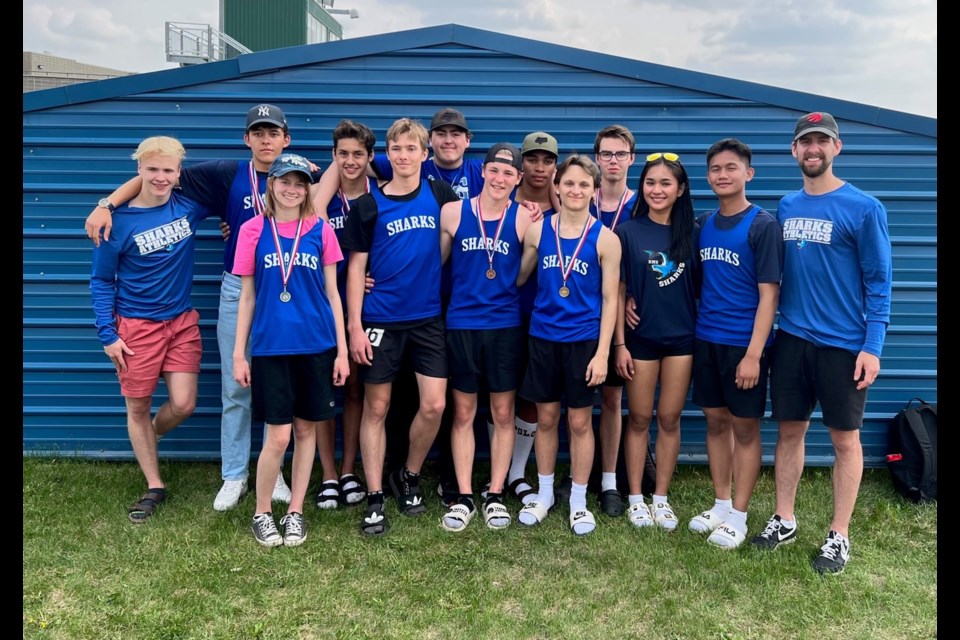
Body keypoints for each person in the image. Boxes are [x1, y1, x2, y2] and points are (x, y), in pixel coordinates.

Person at [84, 104, 304, 511]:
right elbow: (155, 172)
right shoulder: (226, 173)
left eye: (274, 132)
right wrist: (107, 204)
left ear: (286, 139)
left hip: (286, 287)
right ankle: (234, 474)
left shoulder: (299, 175)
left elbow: (338, 205)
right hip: (238, 287)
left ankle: (274, 476)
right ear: (247, 139)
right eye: (258, 132)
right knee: (235, 387)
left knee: (277, 384)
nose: (266, 139)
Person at [751, 112, 892, 575]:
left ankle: (839, 535)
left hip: (843, 345)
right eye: (805, 142)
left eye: (822, 141)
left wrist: (872, 346)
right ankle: (784, 518)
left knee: (845, 440)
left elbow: (879, 281)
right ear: (794, 151)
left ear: (837, 148)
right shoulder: (787, 205)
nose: (813, 149)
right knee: (789, 430)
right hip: (791, 338)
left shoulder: (864, 208)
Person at [339, 118, 460, 536]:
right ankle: (374, 497)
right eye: (397, 149)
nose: (404, 156)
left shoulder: (440, 194)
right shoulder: (368, 205)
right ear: (386, 155)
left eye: (412, 148)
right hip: (380, 320)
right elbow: (355, 270)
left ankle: (407, 475)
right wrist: (355, 326)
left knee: (435, 405)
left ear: (425, 155)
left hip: (428, 318)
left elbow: (475, 224)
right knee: (376, 407)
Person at [89, 136, 215, 523]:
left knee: (183, 404)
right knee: (138, 406)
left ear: (178, 173)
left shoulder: (189, 205)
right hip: (135, 328)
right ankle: (154, 484)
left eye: (168, 170)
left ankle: (151, 437)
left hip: (180, 323)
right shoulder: (117, 223)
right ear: (139, 170)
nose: (160, 177)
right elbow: (101, 280)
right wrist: (108, 335)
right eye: (153, 169)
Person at [232, 153, 348, 546]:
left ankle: (296, 510)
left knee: (305, 431)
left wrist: (343, 352)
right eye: (285, 181)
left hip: (316, 345)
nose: (292, 189)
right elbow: (246, 297)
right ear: (272, 184)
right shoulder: (252, 230)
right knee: (277, 437)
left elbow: (334, 295)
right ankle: (263, 511)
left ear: (307, 189)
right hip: (270, 347)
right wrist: (238, 354)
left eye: (300, 183)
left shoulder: (321, 230)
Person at [515, 154, 621, 536]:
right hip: (543, 337)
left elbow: (611, 300)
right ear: (556, 187)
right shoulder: (537, 231)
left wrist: (603, 352)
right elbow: (521, 275)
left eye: (584, 185)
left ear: (594, 192)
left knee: (579, 421)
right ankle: (543, 493)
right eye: (570, 183)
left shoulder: (606, 239)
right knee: (545, 418)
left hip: (582, 341)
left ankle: (577, 498)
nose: (576, 190)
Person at [688, 139, 783, 549]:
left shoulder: (763, 225)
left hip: (743, 345)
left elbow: (769, 297)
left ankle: (741, 517)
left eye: (731, 167)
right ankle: (721, 503)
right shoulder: (703, 223)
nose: (722, 175)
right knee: (715, 422)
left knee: (744, 429)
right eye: (715, 169)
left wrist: (753, 355)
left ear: (749, 173)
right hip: (706, 339)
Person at [438, 142, 531, 531]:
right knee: (462, 412)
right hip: (461, 324)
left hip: (505, 326)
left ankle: (494, 493)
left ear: (518, 179)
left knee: (503, 413)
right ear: (483, 172)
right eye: (494, 170)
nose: (500, 178)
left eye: (509, 173)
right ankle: (464, 496)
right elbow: (434, 266)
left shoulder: (526, 218)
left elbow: (527, 271)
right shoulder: (453, 212)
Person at [614, 152, 699, 532]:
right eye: (650, 182)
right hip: (641, 340)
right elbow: (616, 293)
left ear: (680, 189)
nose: (657, 189)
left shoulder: (694, 233)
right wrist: (619, 343)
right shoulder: (628, 232)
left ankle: (660, 498)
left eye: (666, 183)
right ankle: (635, 497)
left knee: (669, 418)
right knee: (640, 418)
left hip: (682, 340)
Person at [310, 119, 377, 510]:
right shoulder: (320, 195)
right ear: (333, 157)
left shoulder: (379, 195)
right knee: (323, 392)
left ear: (369, 158)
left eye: (358, 155)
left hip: (367, 308)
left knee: (356, 390)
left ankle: (350, 469)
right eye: (342, 154)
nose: (350, 161)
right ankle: (329, 474)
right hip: (323, 304)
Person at [504, 131, 560, 507]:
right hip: (502, 313)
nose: (539, 168)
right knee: (500, 393)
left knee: (532, 398)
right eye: (533, 159)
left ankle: (517, 473)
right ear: (520, 164)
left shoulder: (566, 211)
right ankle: (500, 468)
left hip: (546, 319)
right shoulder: (500, 200)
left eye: (547, 161)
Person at [588, 125, 638, 517]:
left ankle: (609, 480)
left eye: (620, 154)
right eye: (606, 154)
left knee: (613, 396)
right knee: (572, 398)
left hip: (622, 315)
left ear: (631, 159)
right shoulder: (577, 195)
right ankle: (578, 473)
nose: (613, 161)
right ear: (597, 158)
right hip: (578, 313)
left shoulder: (642, 202)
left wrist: (637, 296)